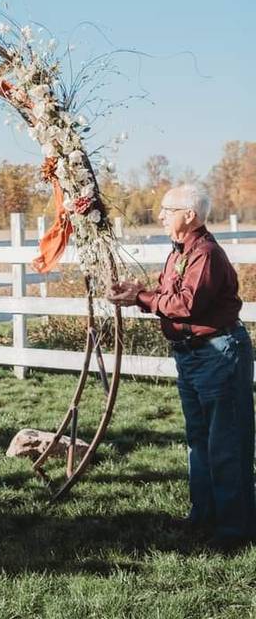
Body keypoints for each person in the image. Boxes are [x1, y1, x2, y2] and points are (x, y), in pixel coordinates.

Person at [108, 184, 254, 550]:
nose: (160, 215)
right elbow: (167, 296)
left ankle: (234, 530)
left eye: (166, 209)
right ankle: (203, 515)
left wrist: (141, 298)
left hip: (218, 353)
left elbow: (187, 305)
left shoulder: (204, 253)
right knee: (199, 440)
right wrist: (139, 294)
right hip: (192, 354)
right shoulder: (178, 253)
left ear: (189, 215)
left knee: (226, 442)